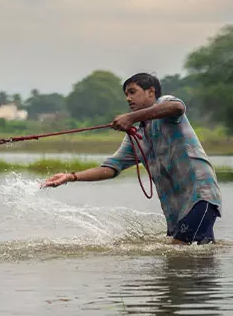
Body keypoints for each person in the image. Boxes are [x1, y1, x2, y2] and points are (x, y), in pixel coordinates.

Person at [41, 73, 222, 245]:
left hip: (200, 195)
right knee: (203, 256)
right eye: (126, 94)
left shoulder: (166, 104)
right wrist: (71, 177)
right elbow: (110, 168)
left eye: (132, 92)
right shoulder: (136, 136)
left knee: (176, 251)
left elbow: (178, 107)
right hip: (177, 208)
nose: (128, 98)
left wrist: (130, 117)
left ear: (151, 92)